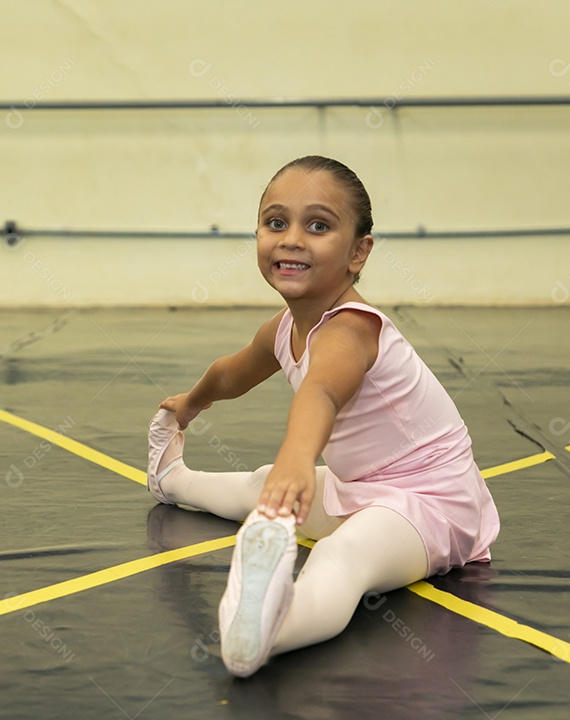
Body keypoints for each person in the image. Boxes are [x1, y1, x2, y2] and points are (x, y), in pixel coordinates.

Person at [146, 155, 499, 677]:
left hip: (431, 502)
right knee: (262, 484)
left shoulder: (351, 330)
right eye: (275, 222)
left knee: (342, 555)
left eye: (317, 226)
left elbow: (322, 394)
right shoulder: (284, 328)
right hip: (361, 485)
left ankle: (267, 634)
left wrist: (296, 459)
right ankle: (173, 480)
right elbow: (233, 373)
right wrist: (192, 402)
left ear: (358, 253)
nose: (291, 238)